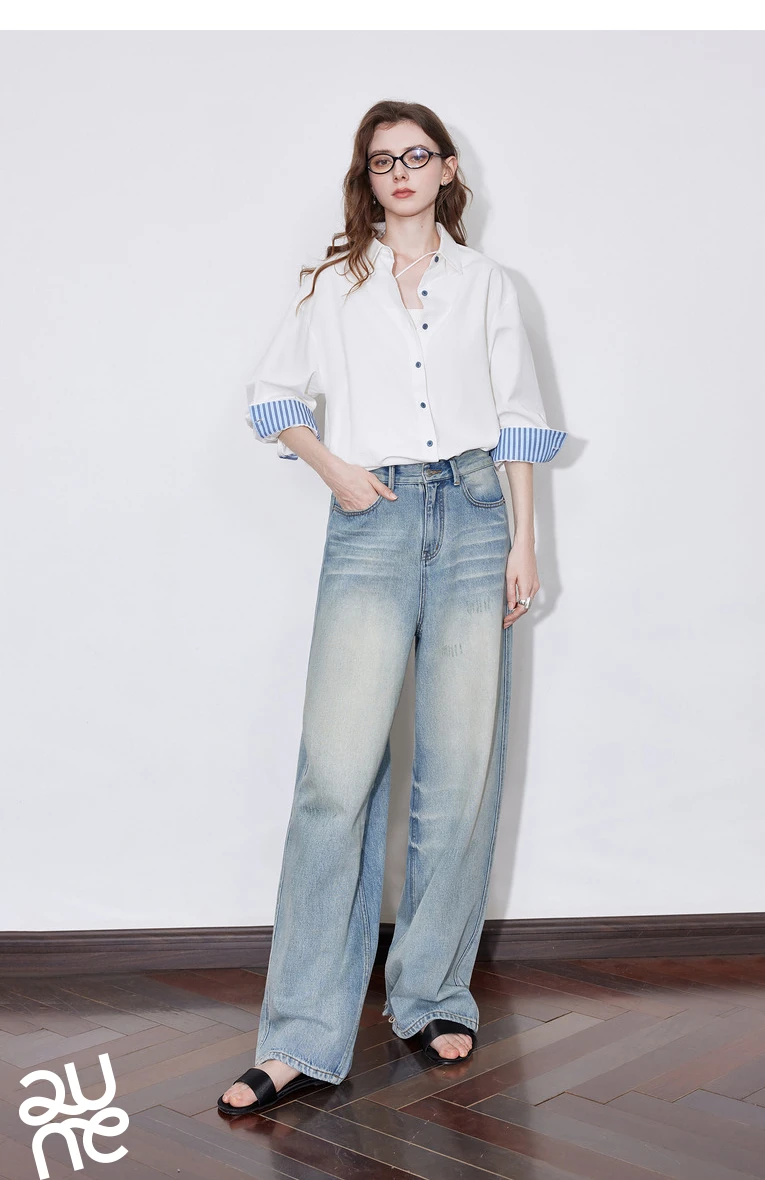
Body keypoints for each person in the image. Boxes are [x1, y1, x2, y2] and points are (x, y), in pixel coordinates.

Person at [218, 100, 567, 1117]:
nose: (400, 172)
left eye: (416, 155)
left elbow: (516, 417)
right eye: (382, 161)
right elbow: (273, 398)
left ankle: (431, 995)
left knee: (458, 776)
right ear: (366, 178)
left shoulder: (487, 283)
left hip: (475, 521)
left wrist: (525, 545)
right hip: (370, 520)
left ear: (447, 168)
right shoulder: (336, 285)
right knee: (333, 781)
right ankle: (298, 1035)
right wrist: (335, 471)